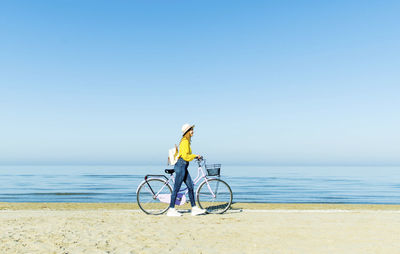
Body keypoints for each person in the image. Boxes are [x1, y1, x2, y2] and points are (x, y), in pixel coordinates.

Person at [167, 123, 207, 216]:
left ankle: (194, 208)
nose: (193, 131)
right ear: (187, 132)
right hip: (181, 166)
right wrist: (195, 156)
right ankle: (171, 209)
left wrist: (194, 157)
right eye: (191, 130)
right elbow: (185, 156)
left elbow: (186, 156)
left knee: (190, 186)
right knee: (176, 188)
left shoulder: (186, 141)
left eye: (192, 129)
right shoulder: (184, 141)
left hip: (183, 166)